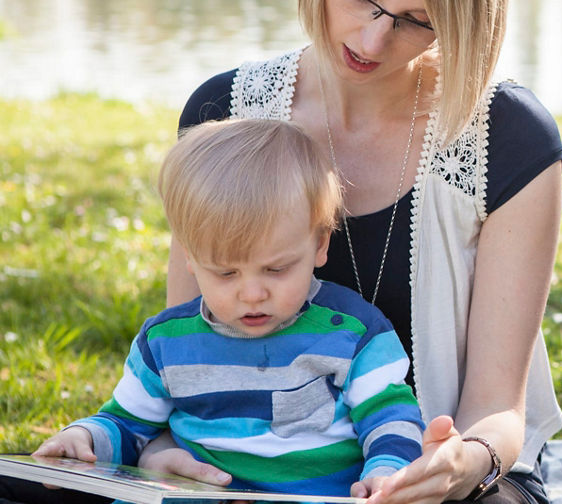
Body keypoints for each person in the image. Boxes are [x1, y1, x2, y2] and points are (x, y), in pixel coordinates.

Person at [0, 0, 562, 504]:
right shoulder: (223, 114)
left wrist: (460, 464)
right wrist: (162, 450)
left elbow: (499, 411)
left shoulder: (509, 139)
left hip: (435, 486)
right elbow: (187, 352)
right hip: (244, 476)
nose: (372, 39)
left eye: (419, 21)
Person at [33, 118, 425, 498]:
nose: (252, 293)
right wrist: (82, 438)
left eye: (276, 269)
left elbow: (391, 417)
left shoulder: (353, 333)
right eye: (225, 273)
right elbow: (127, 425)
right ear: (190, 257)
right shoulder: (166, 343)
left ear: (320, 244)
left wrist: (386, 472)